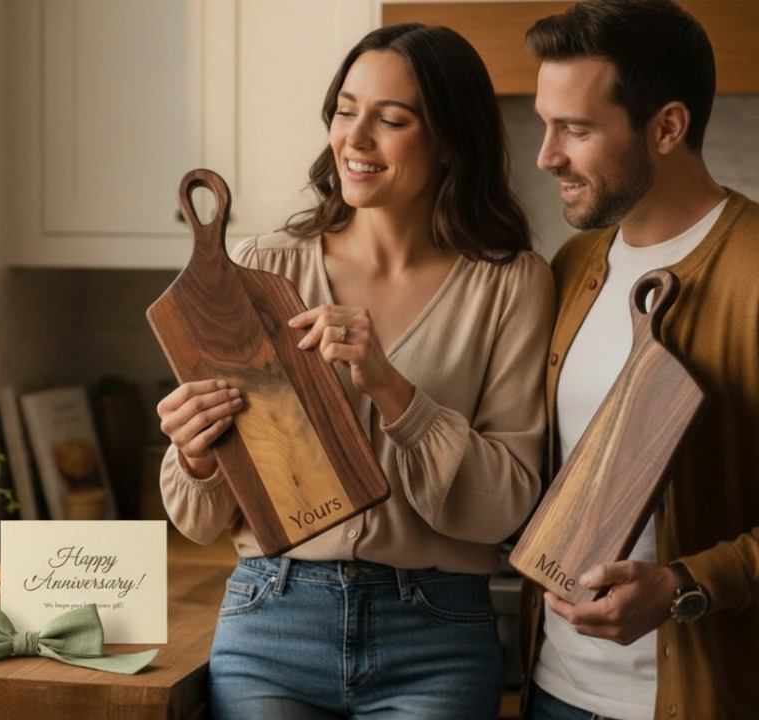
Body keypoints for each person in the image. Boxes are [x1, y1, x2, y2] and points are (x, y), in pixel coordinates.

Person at [158, 22, 554, 720]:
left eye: (391, 119)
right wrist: (194, 454)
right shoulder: (262, 266)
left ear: (449, 142)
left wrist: (393, 390)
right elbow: (199, 520)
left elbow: (511, 502)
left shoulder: (511, 285)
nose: (355, 138)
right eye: (345, 110)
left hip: (437, 634)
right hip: (272, 617)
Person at [518, 1, 759, 719]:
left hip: (702, 698)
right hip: (554, 690)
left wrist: (686, 585)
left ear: (667, 127)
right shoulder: (571, 265)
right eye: (544, 122)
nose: (547, 154)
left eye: (577, 129)